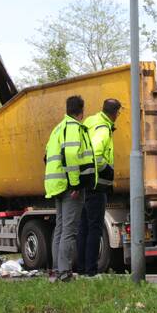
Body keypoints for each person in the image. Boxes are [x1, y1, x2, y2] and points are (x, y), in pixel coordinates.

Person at [44, 95, 91, 282]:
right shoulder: (73, 127)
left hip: (56, 184)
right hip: (68, 185)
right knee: (69, 230)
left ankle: (57, 270)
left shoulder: (57, 128)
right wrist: (75, 183)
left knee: (60, 228)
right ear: (81, 111)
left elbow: (46, 156)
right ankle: (64, 273)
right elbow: (71, 155)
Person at [77, 98, 121, 276]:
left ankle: (81, 269)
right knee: (95, 228)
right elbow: (95, 155)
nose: (118, 115)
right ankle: (91, 271)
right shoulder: (103, 128)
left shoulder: (90, 121)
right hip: (96, 186)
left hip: (84, 184)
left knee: (84, 228)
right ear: (114, 113)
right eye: (118, 112)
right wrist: (107, 170)